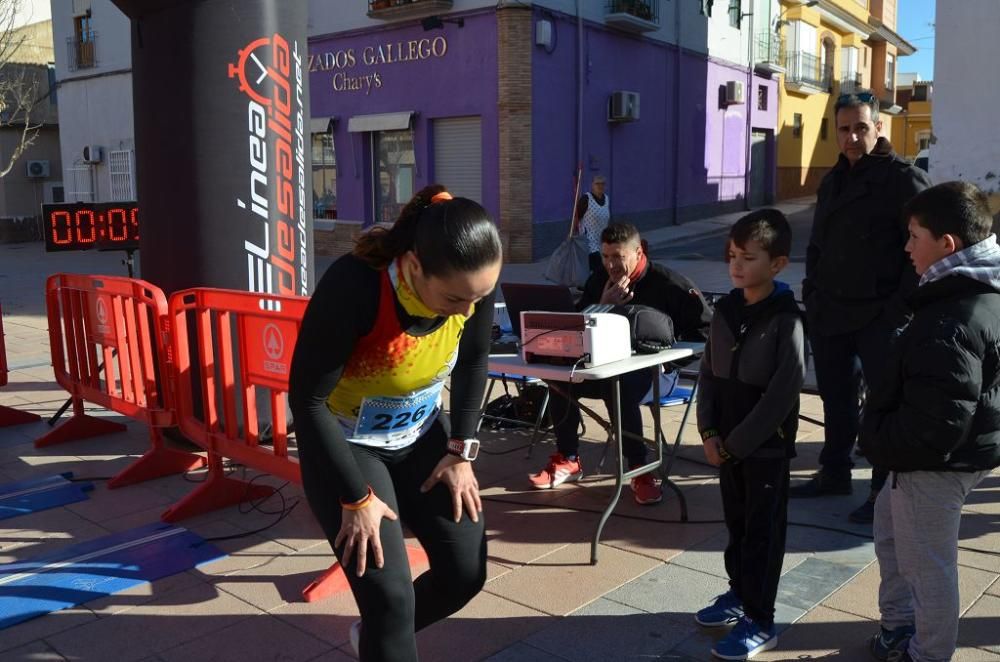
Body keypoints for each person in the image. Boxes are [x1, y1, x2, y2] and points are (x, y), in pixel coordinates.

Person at [289, 185, 501, 662]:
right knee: (390, 596)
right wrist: (355, 497)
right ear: (414, 265)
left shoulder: (473, 281)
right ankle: (386, 636)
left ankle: (376, 640)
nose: (468, 310)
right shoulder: (357, 286)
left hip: (422, 435)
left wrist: (461, 449)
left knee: (465, 572)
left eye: (480, 297)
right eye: (454, 299)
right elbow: (308, 401)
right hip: (348, 444)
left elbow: (473, 359)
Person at [858, 181, 1000, 662]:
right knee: (892, 537)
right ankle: (899, 627)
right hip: (932, 457)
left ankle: (927, 653)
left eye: (914, 236)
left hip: (932, 463)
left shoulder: (952, 316)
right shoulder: (973, 289)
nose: (906, 247)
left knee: (927, 565)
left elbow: (938, 420)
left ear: (948, 244)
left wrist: (881, 441)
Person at [793, 89, 932, 524]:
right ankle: (833, 471)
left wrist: (897, 310)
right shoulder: (833, 179)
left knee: (882, 406)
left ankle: (881, 492)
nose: (852, 137)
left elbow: (922, 251)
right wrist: (811, 292)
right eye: (844, 129)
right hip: (831, 312)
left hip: (880, 316)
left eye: (860, 127)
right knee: (835, 401)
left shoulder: (903, 179)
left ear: (879, 127)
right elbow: (816, 243)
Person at [528, 222, 712, 504]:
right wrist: (603, 303)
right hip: (602, 367)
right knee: (559, 377)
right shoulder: (599, 280)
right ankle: (569, 458)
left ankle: (641, 468)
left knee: (621, 383)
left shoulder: (669, 284)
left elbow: (705, 333)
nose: (610, 264)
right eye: (605, 256)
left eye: (618, 257)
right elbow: (578, 325)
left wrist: (667, 362)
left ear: (638, 252)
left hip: (657, 373)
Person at [694, 210, 805, 660]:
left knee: (764, 531)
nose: (737, 266)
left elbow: (783, 391)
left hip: (764, 450)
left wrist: (738, 444)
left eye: (749, 258)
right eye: (732, 256)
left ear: (777, 264)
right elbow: (708, 374)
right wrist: (709, 432)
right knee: (737, 526)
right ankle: (738, 592)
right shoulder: (725, 308)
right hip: (726, 446)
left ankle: (761, 617)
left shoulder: (786, 319)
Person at [574, 174, 611, 273]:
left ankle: (586, 285)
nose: (600, 186)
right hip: (589, 242)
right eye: (597, 183)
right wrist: (573, 234)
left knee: (595, 270)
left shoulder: (606, 199)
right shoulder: (586, 198)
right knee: (598, 268)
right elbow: (576, 218)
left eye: (602, 184)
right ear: (592, 185)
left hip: (601, 241)